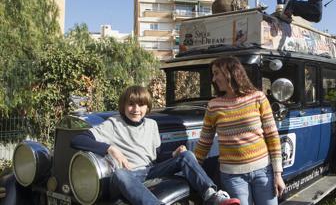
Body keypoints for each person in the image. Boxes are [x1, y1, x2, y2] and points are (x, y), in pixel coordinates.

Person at [71, 85, 239, 205]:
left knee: (186, 155)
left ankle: (212, 195)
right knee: (121, 174)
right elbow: (78, 140)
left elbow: (156, 156)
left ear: (147, 107)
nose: (136, 109)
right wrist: (110, 148)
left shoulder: (151, 125)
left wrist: (174, 154)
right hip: (129, 176)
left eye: (141, 104)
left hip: (150, 170)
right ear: (123, 106)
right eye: (131, 104)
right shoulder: (114, 123)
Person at [194, 57, 286, 205]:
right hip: (232, 177)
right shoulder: (213, 106)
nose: (213, 78)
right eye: (213, 74)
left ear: (231, 72)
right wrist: (191, 166)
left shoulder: (258, 98)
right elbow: (204, 143)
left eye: (217, 73)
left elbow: (272, 136)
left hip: (264, 172)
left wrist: (278, 173)